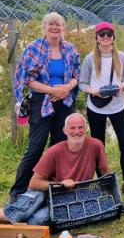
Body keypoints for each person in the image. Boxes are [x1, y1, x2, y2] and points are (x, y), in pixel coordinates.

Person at [10, 12, 80, 199]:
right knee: (35, 147)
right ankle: (18, 192)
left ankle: (52, 189)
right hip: (41, 102)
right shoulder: (33, 48)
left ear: (64, 28)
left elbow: (77, 75)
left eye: (58, 24)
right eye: (51, 24)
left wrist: (67, 87)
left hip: (64, 102)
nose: (55, 27)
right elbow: (27, 80)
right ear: (44, 27)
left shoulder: (70, 49)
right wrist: (51, 90)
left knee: (58, 147)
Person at [0, 113, 110, 225]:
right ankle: (7, 215)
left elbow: (105, 172)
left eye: (80, 127)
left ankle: (19, 221)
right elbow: (34, 183)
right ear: (65, 130)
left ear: (85, 129)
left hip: (67, 197)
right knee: (27, 206)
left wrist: (109, 191)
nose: (77, 131)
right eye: (72, 128)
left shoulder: (96, 145)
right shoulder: (54, 151)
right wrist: (61, 184)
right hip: (46, 192)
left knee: (37, 221)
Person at [79, 22, 124, 197]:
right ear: (96, 38)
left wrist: (122, 87)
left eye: (109, 34)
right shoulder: (89, 59)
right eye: (101, 34)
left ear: (113, 37)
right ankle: (103, 182)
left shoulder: (122, 57)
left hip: (117, 105)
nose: (105, 37)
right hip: (96, 106)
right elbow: (82, 83)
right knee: (98, 145)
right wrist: (93, 91)